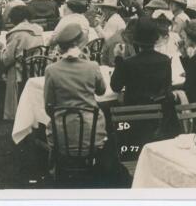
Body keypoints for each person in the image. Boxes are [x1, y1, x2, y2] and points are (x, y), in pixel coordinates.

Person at [44, 23, 131, 187]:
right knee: (106, 124)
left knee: (53, 126)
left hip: (62, 135)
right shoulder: (92, 66)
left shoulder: (51, 70)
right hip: (90, 134)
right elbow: (101, 91)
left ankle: (56, 170)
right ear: (79, 44)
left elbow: (49, 106)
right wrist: (89, 61)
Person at [110, 16, 172, 105]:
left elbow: (115, 87)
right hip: (157, 112)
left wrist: (118, 58)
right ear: (156, 38)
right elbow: (167, 88)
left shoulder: (128, 63)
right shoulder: (165, 60)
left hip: (134, 112)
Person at [0, 5, 44, 120]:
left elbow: (7, 59)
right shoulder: (38, 31)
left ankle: (13, 113)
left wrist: (2, 48)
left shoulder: (15, 33)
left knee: (6, 67)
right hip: (36, 68)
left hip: (20, 71)